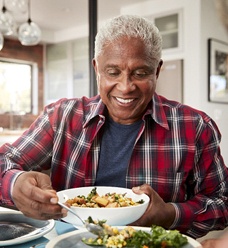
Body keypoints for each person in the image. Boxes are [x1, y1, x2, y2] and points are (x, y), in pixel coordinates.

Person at [0, 15, 228, 239]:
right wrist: (14, 185)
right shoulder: (61, 117)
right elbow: (5, 161)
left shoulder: (195, 127)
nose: (126, 87)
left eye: (140, 73)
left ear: (156, 70)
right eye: (113, 72)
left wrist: (170, 214)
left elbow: (222, 202)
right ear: (96, 68)